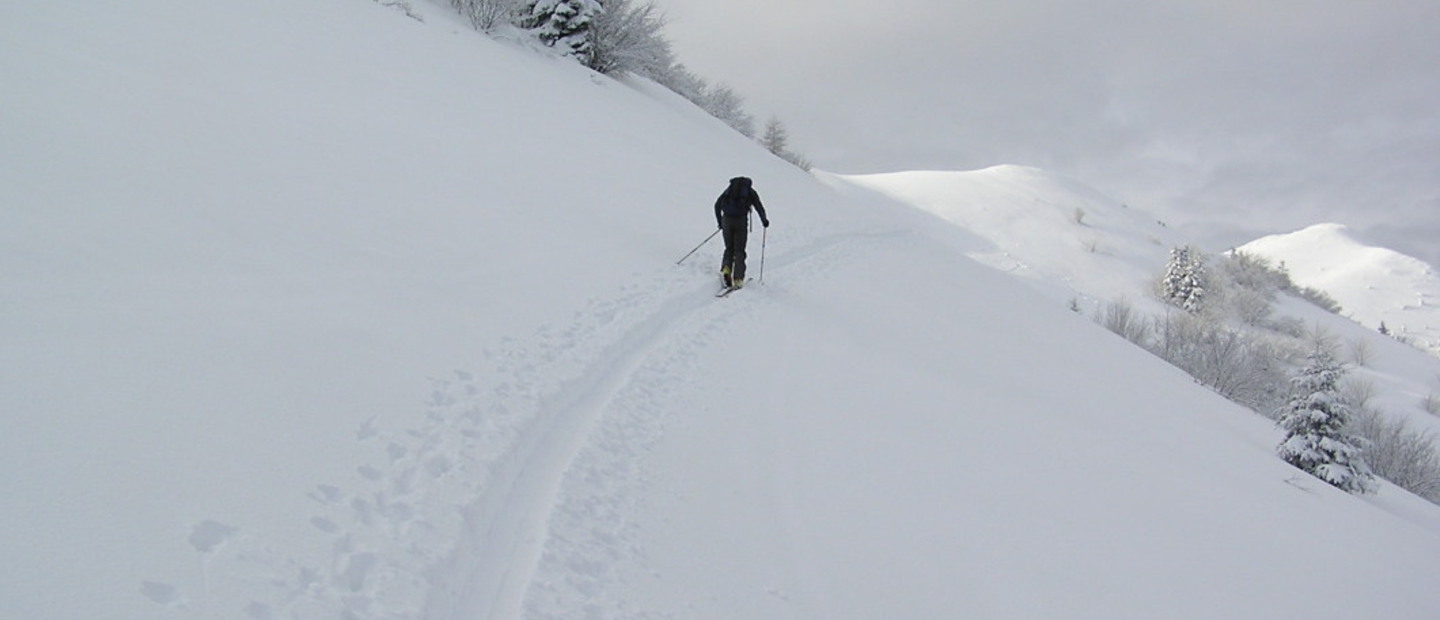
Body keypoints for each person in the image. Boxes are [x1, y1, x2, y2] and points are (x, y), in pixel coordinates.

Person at [714, 176, 769, 288]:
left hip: (726, 220)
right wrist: (764, 221)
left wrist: (720, 223)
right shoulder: (750, 192)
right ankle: (738, 279)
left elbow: (717, 205)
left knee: (729, 247)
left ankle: (726, 269)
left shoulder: (729, 190)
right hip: (740, 221)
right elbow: (759, 207)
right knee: (739, 250)